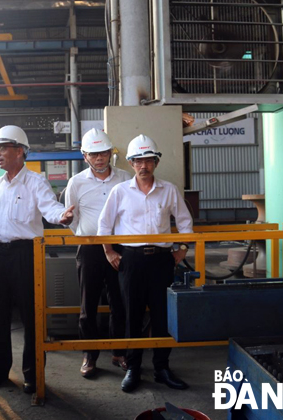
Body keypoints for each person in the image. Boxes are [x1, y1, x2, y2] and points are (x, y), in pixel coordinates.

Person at [0, 125, 74, 394]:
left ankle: (33, 374)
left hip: (26, 255)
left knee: (32, 317)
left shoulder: (36, 182)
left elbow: (50, 207)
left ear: (20, 151)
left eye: (3, 148)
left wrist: (62, 217)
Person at [98, 134, 193, 393]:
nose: (143, 166)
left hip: (162, 261)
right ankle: (133, 368)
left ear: (156, 162)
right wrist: (109, 252)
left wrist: (182, 249)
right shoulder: (120, 192)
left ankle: (162, 368)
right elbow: (104, 225)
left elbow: (184, 222)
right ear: (130, 163)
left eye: (148, 160)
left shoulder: (169, 190)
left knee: (163, 315)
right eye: (138, 161)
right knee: (133, 315)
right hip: (131, 261)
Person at [64, 128, 131, 378]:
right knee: (87, 305)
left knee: (119, 302)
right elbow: (72, 218)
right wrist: (85, 234)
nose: (99, 158)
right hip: (90, 250)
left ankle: (119, 353)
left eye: (103, 153)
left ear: (110, 153)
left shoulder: (125, 178)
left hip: (120, 249)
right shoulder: (76, 182)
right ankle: (89, 355)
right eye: (94, 154)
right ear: (85, 156)